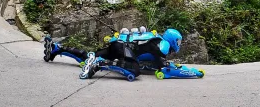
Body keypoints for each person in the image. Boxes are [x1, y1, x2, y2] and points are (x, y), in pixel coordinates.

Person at [43, 27, 183, 80]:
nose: (178, 44)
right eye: (178, 41)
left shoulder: (155, 38)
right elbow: (162, 65)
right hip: (124, 48)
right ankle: (99, 64)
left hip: (118, 45)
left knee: (89, 56)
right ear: (172, 40)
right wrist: (173, 68)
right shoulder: (163, 44)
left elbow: (154, 62)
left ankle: (56, 48)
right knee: (134, 70)